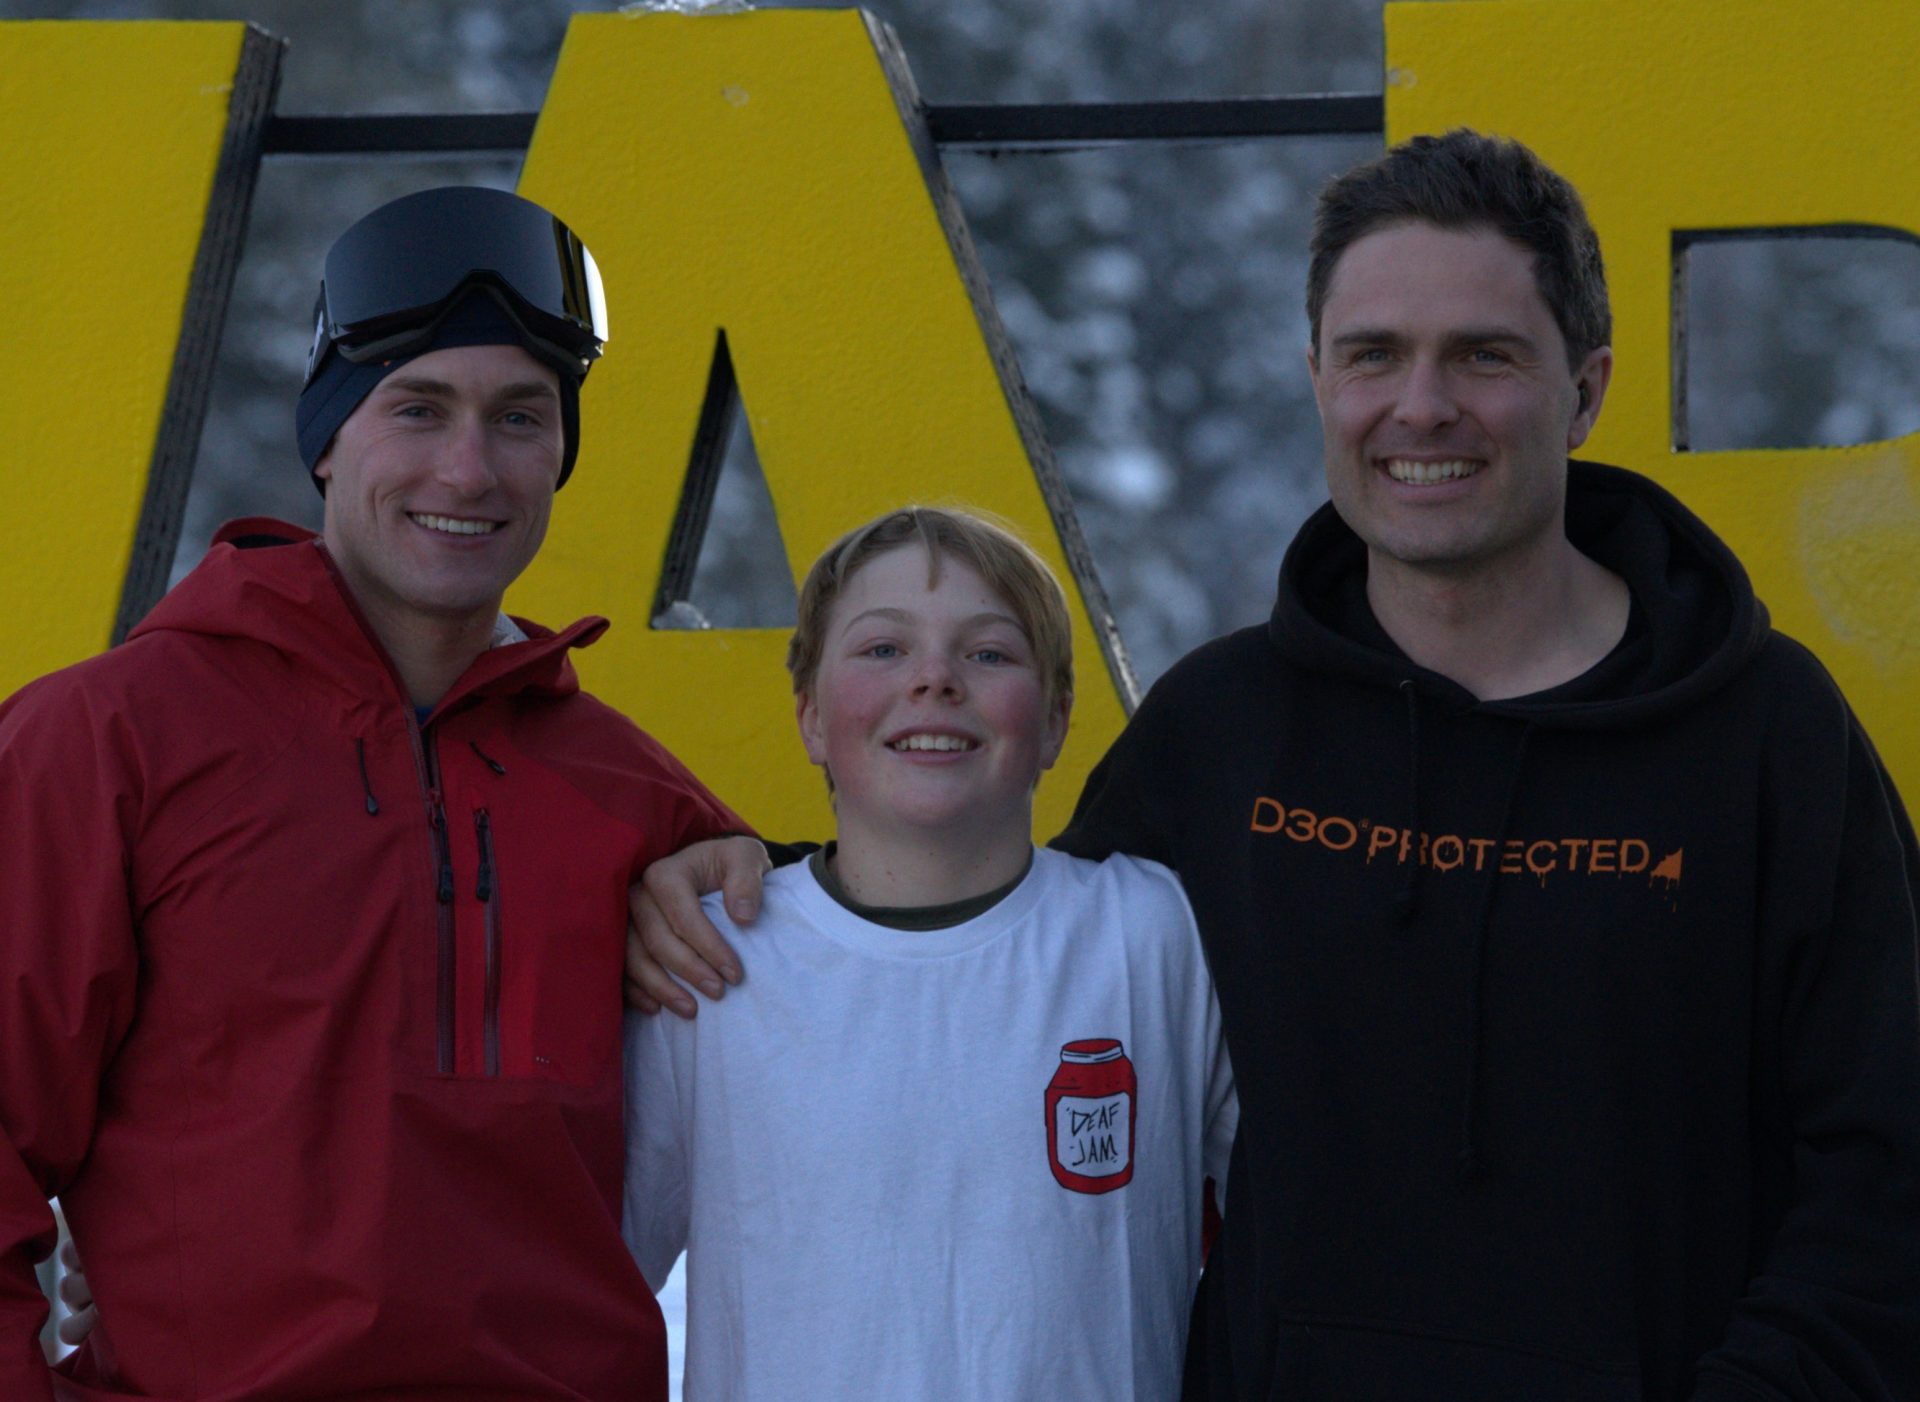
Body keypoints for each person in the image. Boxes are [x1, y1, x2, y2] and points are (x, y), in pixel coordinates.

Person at [631, 131, 1920, 1400]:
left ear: (1584, 387)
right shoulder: (1223, 732)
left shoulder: (1768, 739)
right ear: (1317, 376)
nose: (1422, 405)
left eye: (1484, 353)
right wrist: (740, 881)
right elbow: (989, 961)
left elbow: (1885, 1172)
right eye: (1374, 354)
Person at [0, 186, 746, 1400]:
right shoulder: (105, 742)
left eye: (521, 417)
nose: (470, 465)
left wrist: (731, 866)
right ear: (330, 435)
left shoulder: (634, 797)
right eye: (418, 407)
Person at [623, 506, 1236, 1400]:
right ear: (808, 716)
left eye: (989, 653)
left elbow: (1314, 1234)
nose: (936, 680)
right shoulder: (710, 959)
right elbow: (589, 1277)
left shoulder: (1158, 937)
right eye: (882, 649)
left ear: (1058, 719)